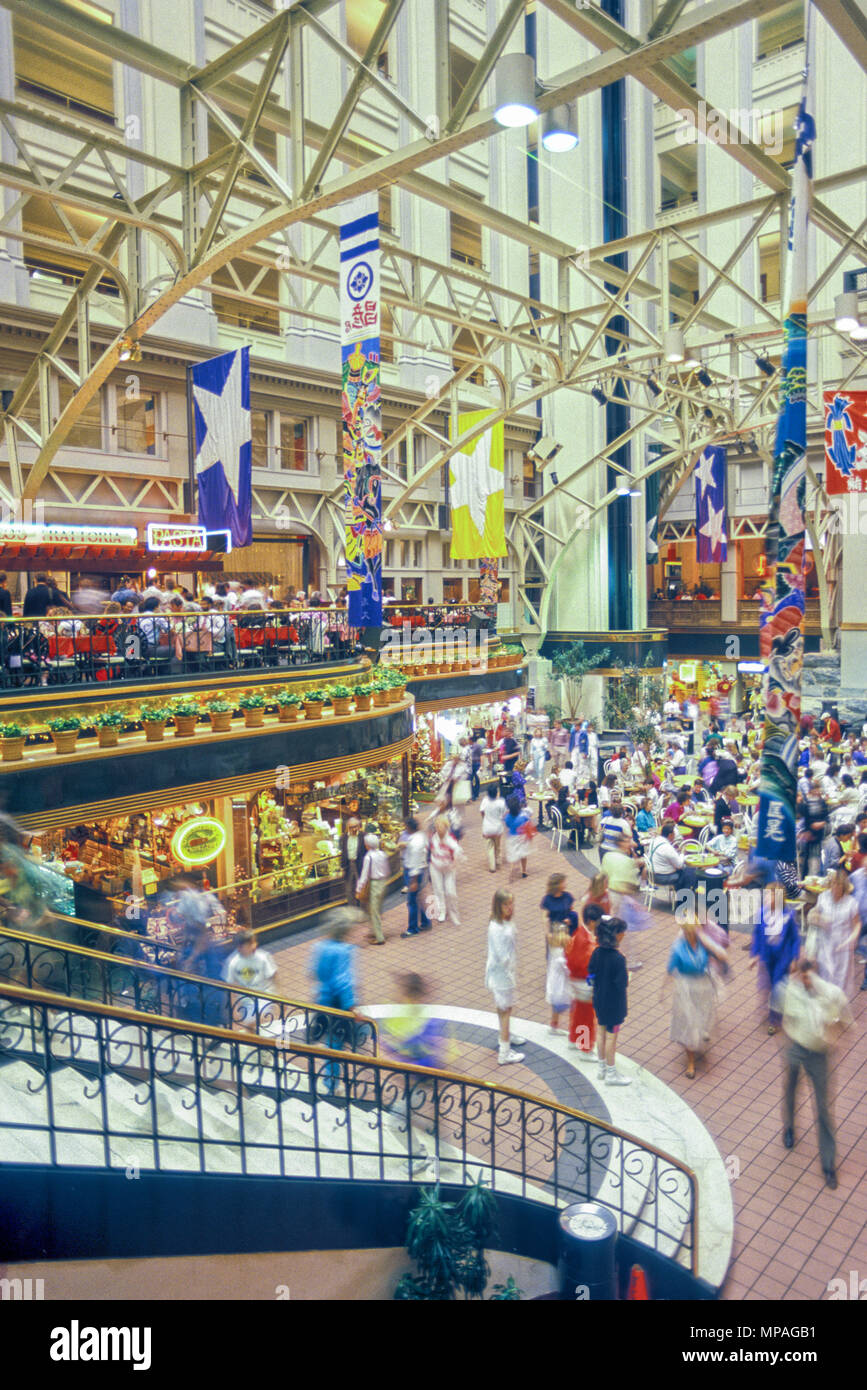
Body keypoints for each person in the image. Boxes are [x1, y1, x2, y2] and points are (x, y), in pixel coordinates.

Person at [781, 958, 852, 1189]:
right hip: (796, 1047)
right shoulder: (792, 990)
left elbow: (844, 1021)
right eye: (802, 977)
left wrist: (834, 1035)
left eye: (808, 976)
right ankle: (789, 1127)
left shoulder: (831, 995)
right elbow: (787, 1019)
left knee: (823, 1108)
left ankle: (829, 1165)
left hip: (819, 1055)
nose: (805, 981)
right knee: (790, 1089)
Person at [665, 916, 728, 1078]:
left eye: (692, 931)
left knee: (702, 1020)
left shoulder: (703, 942)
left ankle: (699, 1039)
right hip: (685, 987)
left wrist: (706, 942)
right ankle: (690, 1062)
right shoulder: (678, 946)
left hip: (703, 986)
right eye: (687, 931)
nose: (689, 934)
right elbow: (670, 968)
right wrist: (663, 990)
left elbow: (722, 955)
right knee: (689, 1023)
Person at [306, 910, 363, 1091]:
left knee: (330, 1041)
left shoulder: (319, 947)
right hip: (338, 1003)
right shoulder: (344, 951)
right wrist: (352, 1006)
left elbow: (312, 972)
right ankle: (333, 1083)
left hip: (322, 999)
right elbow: (343, 981)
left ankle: (330, 1081)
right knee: (337, 1043)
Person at [749, 882, 801, 1034]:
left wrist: (794, 959)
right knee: (765, 985)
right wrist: (754, 955)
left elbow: (795, 939)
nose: (765, 898)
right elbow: (757, 935)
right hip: (767, 956)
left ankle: (774, 1019)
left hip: (783, 959)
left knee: (778, 988)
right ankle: (770, 1007)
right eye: (765, 894)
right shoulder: (761, 913)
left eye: (769, 895)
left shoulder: (788, 916)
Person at [588, 916, 631, 1085]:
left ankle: (601, 1068)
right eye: (622, 932)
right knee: (612, 1037)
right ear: (616, 935)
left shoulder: (596, 953)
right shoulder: (619, 959)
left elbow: (591, 973)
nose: (624, 935)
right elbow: (622, 984)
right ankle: (611, 1074)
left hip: (599, 999)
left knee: (600, 1032)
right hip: (614, 1004)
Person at [485, 888, 524, 1065]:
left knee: (505, 1007)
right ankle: (505, 1051)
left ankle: (506, 1035)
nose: (510, 907)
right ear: (498, 905)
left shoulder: (503, 922)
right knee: (505, 1009)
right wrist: (511, 971)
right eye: (506, 904)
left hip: (505, 972)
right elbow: (502, 956)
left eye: (511, 903)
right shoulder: (496, 927)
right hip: (502, 974)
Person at [810, 868, 861, 995]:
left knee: (840, 982)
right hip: (825, 945)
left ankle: (837, 1012)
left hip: (842, 949)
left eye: (838, 885)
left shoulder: (851, 903)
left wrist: (852, 939)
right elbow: (814, 914)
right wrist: (817, 917)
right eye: (833, 884)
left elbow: (857, 924)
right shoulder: (823, 898)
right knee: (824, 977)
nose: (835, 888)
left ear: (843, 887)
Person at [223, 930, 277, 1033]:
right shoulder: (233, 962)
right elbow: (229, 986)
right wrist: (233, 1008)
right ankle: (256, 1043)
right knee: (250, 1027)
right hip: (245, 1000)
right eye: (250, 944)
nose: (254, 945)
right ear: (239, 947)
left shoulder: (263, 957)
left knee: (253, 1022)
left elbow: (273, 975)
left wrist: (279, 996)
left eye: (254, 943)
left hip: (263, 995)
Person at [565, 902, 599, 1057]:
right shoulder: (585, 940)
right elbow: (581, 962)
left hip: (577, 981)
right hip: (583, 982)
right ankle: (585, 1048)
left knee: (578, 1013)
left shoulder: (579, 933)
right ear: (592, 922)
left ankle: (574, 1039)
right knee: (586, 1017)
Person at [401, 816, 432, 939]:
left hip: (413, 873)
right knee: (417, 898)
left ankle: (412, 928)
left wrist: (413, 881)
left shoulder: (415, 844)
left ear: (409, 827)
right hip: (418, 871)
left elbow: (415, 862)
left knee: (412, 901)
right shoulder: (420, 836)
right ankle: (425, 922)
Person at [428, 814, 462, 925]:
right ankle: (441, 911)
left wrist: (455, 863)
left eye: (441, 827)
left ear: (446, 827)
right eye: (437, 827)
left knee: (450, 891)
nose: (438, 829)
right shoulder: (433, 837)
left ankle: (453, 911)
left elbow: (457, 851)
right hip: (435, 866)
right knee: (438, 889)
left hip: (448, 868)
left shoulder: (451, 839)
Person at [356, 831, 390, 944]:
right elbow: (387, 870)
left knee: (374, 912)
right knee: (375, 909)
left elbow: (364, 876)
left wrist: (358, 889)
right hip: (383, 883)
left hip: (374, 884)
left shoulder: (368, 857)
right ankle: (374, 931)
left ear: (367, 845)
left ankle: (379, 938)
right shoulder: (382, 854)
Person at [545, 923, 572, 1034]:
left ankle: (553, 1026)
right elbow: (567, 970)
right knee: (570, 1006)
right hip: (561, 986)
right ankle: (572, 1029)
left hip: (553, 983)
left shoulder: (553, 950)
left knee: (555, 1009)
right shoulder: (561, 956)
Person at [540, 872, 578, 939]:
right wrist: (548, 933)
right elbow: (545, 918)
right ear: (557, 885)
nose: (566, 884)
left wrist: (570, 919)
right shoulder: (547, 899)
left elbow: (571, 911)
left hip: (567, 931)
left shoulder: (568, 896)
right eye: (563, 882)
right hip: (554, 932)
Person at [503, 794, 532, 881]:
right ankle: (524, 871)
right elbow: (528, 821)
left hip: (512, 836)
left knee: (513, 853)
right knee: (523, 854)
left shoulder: (507, 817)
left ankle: (512, 868)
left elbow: (507, 825)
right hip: (522, 836)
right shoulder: (523, 815)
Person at [480, 784, 507, 872]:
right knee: (497, 845)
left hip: (487, 828)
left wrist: (485, 819)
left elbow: (482, 812)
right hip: (497, 828)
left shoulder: (485, 801)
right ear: (496, 793)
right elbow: (504, 813)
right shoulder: (501, 802)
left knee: (489, 847)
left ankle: (492, 866)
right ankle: (498, 861)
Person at [340, 816, 365, 902]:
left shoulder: (363, 836)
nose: (354, 829)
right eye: (351, 827)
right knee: (349, 889)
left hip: (360, 865)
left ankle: (362, 909)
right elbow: (343, 853)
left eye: (356, 826)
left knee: (361, 888)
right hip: (349, 865)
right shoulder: (344, 838)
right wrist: (342, 867)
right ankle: (352, 909)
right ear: (348, 827)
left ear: (359, 826)